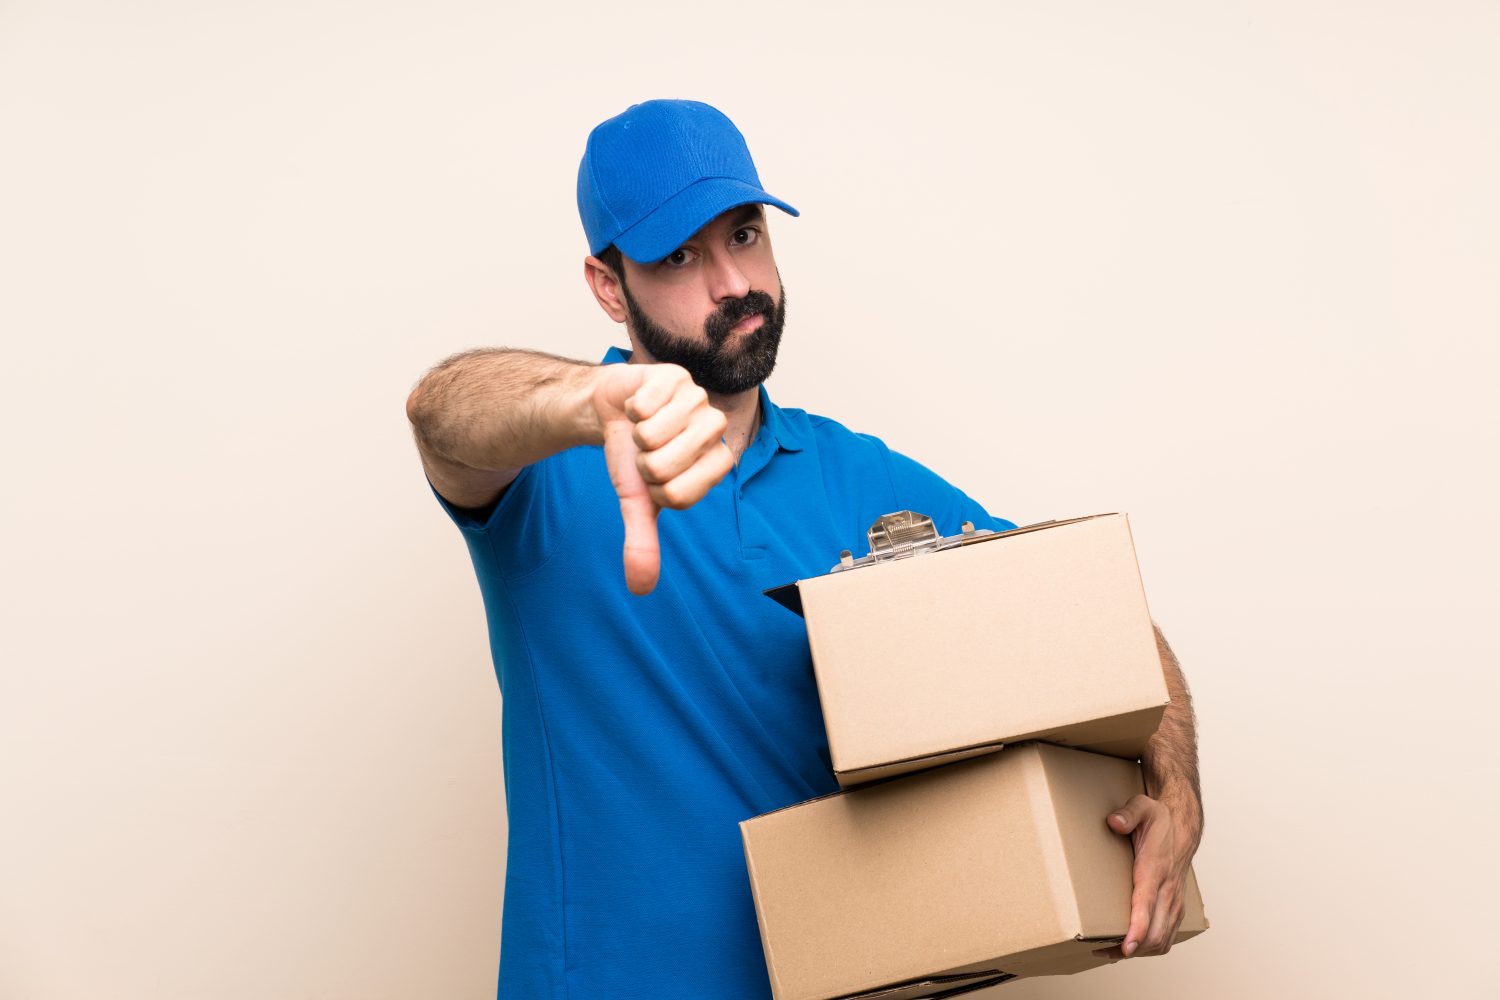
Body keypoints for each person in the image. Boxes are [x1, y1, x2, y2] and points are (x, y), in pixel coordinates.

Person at [405, 99, 1203, 999]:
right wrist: (580, 403)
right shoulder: (547, 471)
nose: (731, 283)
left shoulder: (865, 481)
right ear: (605, 283)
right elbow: (441, 412)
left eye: (745, 237)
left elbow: (1099, 622)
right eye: (680, 256)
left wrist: (1177, 795)